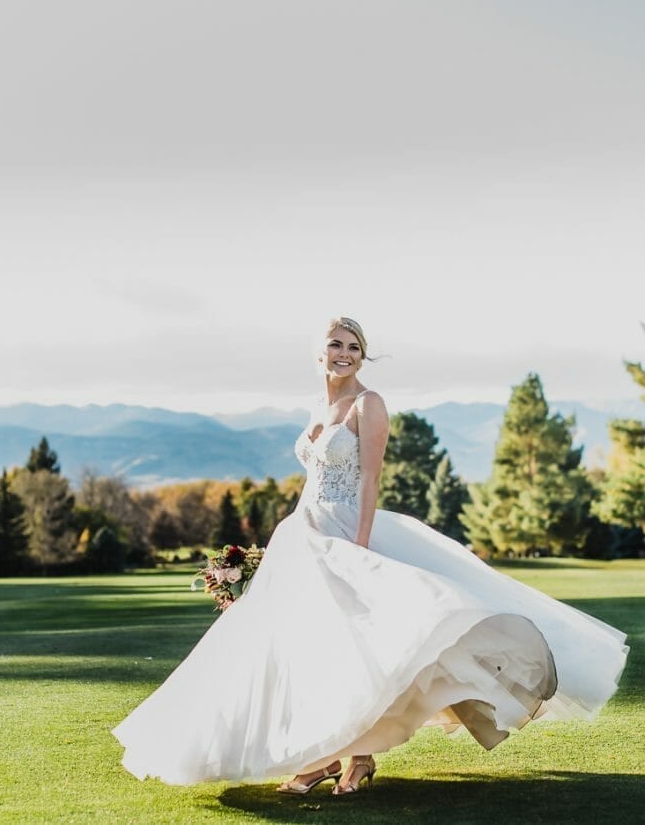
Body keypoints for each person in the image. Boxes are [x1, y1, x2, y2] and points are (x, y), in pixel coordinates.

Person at [111, 315, 629, 795]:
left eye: (354, 347)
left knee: (355, 645)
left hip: (346, 532)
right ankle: (334, 755)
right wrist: (278, 543)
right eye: (335, 344)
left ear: (362, 358)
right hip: (304, 535)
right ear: (319, 354)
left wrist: (359, 547)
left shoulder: (369, 404)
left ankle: (346, 757)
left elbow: (370, 479)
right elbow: (312, 479)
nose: (344, 353)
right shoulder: (317, 408)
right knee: (306, 647)